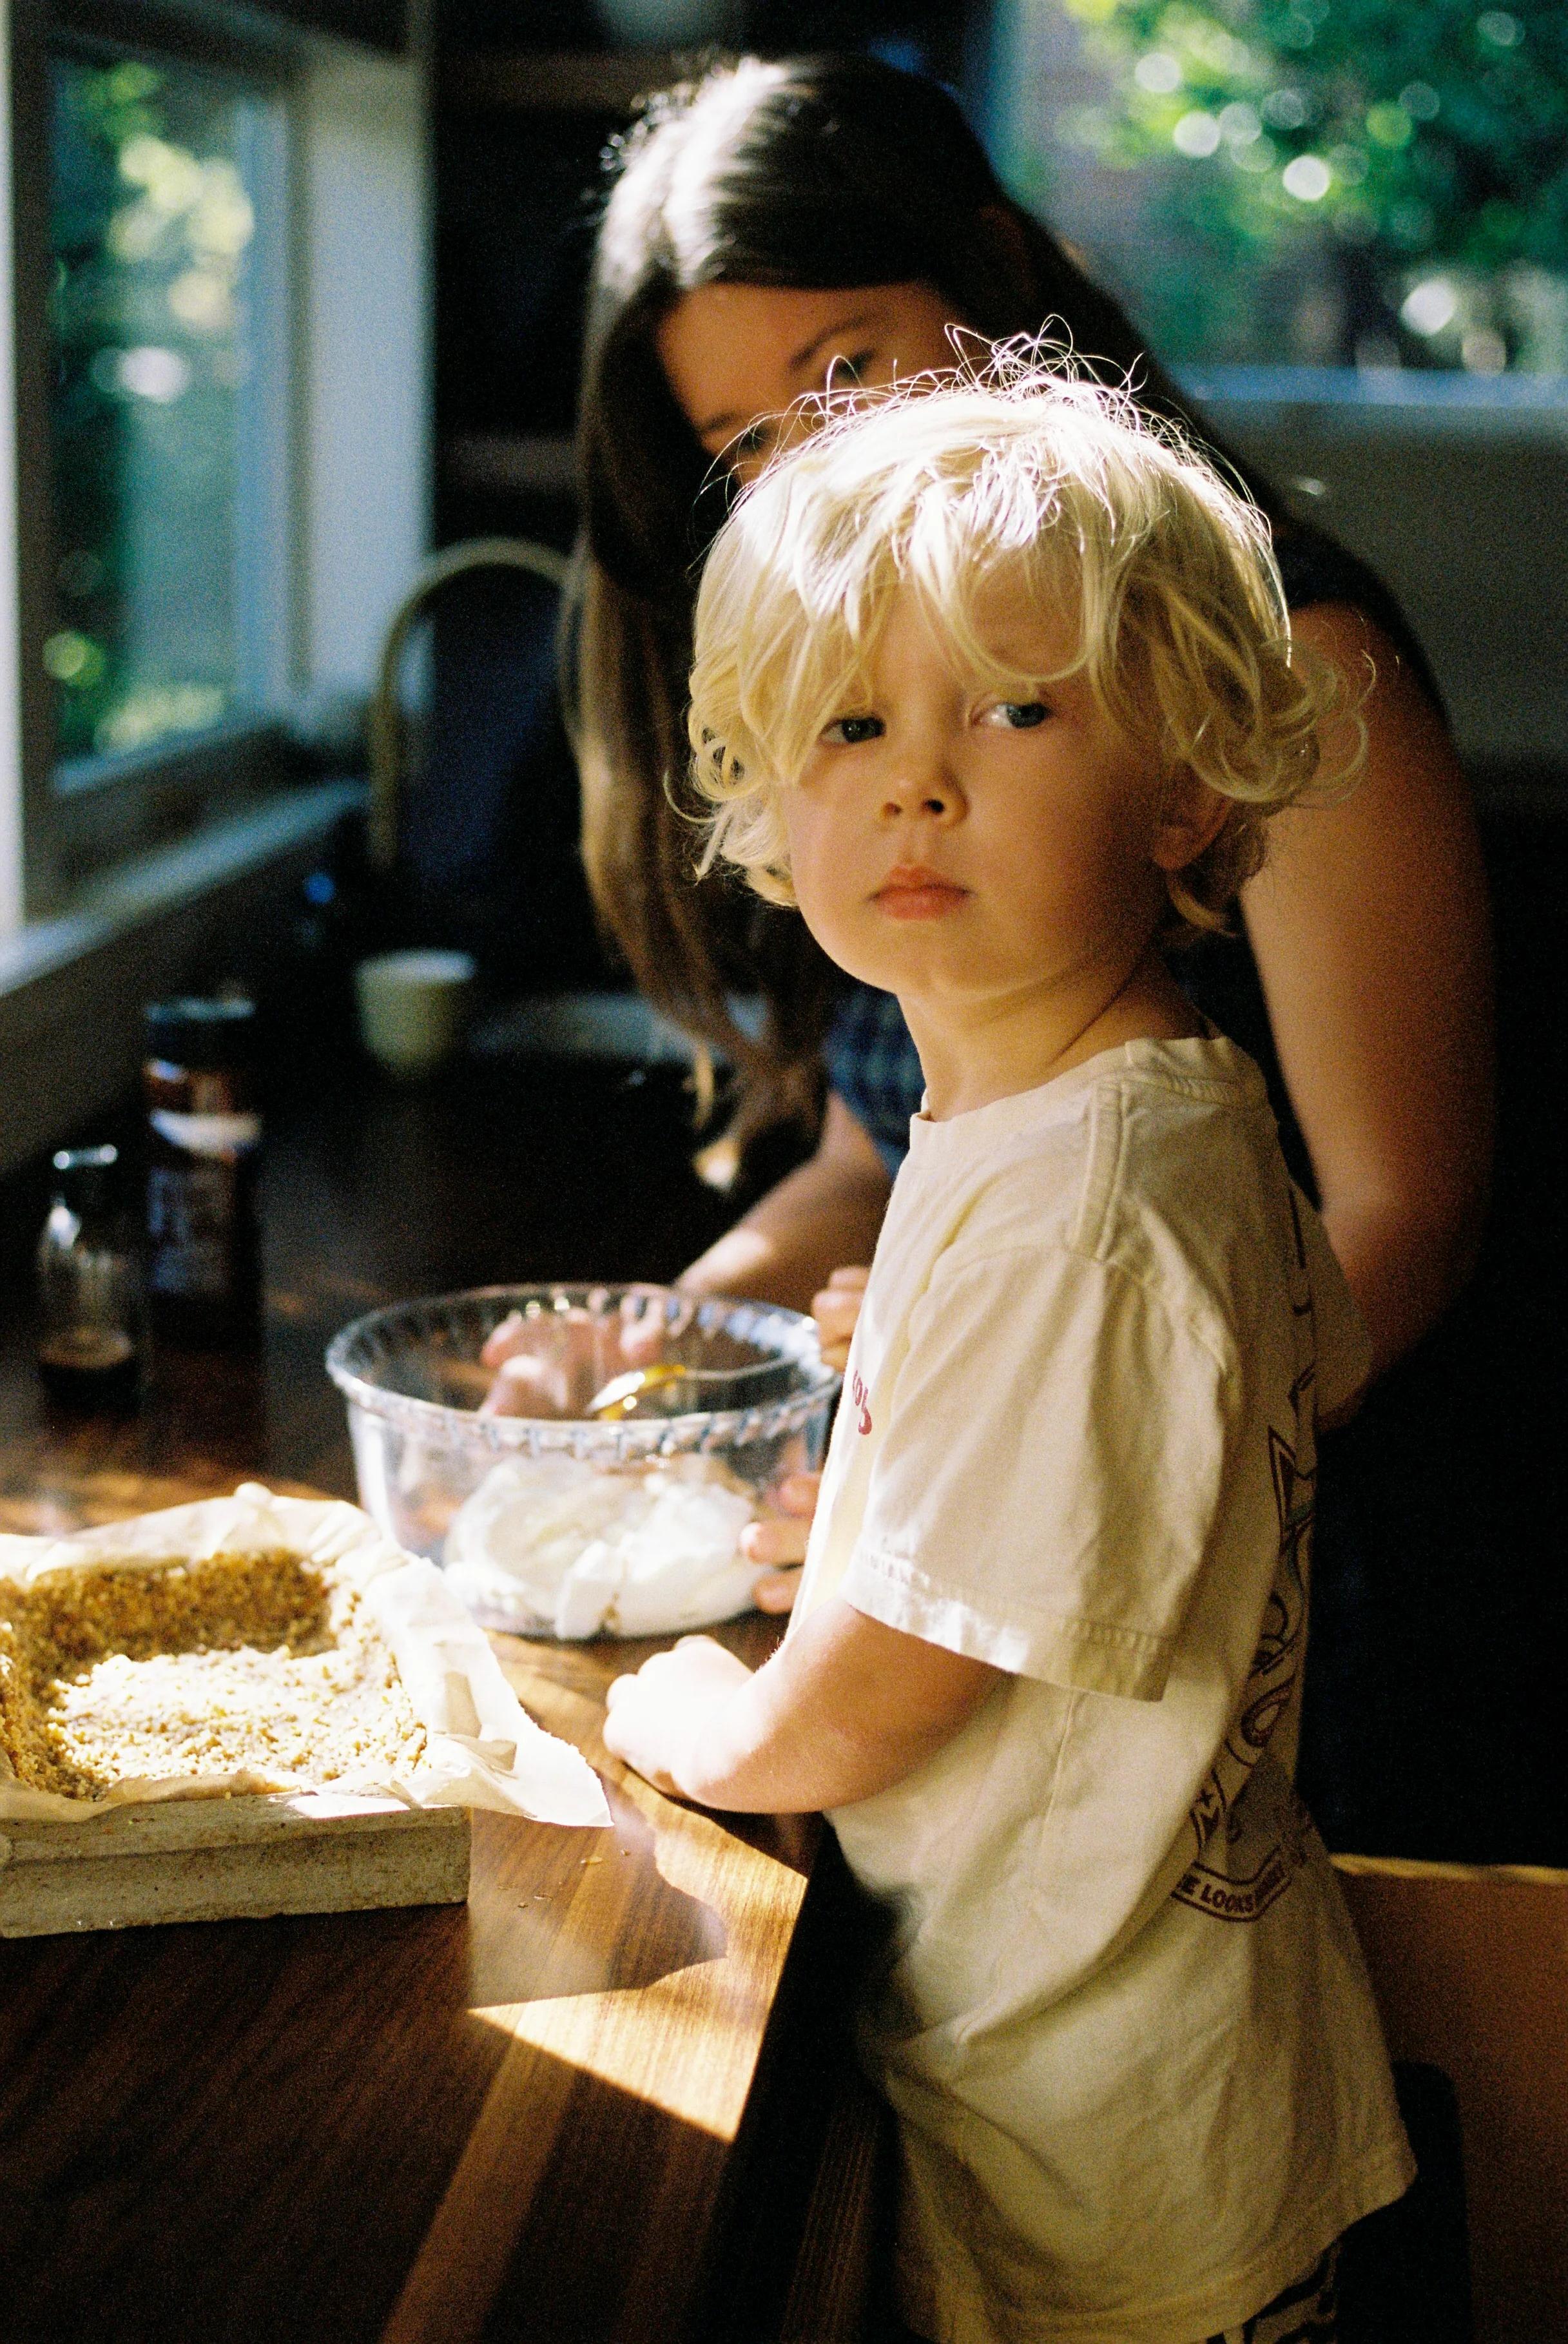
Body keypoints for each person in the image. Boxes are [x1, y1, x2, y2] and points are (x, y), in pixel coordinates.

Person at [602, 369, 1413, 2343]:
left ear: (1190, 781)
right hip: (1156, 2049)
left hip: (1091, 2126)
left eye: (1015, 707)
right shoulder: (1137, 1108)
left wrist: (703, 1717)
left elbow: (873, 1702)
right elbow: (1209, 1416)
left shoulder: (1081, 1192)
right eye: (852, 723)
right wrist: (920, 1444)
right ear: (775, 806)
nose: (916, 778)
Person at [517, 50, 1494, 1625]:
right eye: (747, 440)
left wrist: (1029, 1471)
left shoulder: (1282, 662)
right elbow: (870, 1150)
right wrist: (669, 1337)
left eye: (845, 372)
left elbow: (1403, 1218)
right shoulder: (893, 721)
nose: (815, 460)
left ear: (996, 279)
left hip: (1262, 1577)